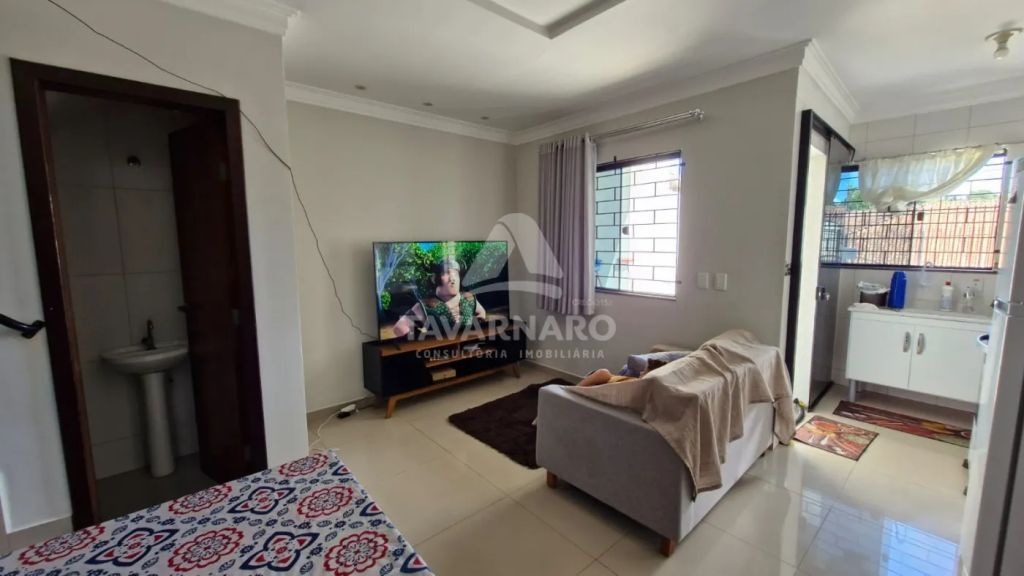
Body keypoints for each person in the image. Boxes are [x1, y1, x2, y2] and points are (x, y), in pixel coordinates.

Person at [392, 258, 486, 337]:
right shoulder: (427, 305)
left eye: (456, 274)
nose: (452, 279)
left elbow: (481, 313)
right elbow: (399, 328)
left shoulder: (468, 298)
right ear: (435, 278)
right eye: (447, 273)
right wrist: (424, 342)